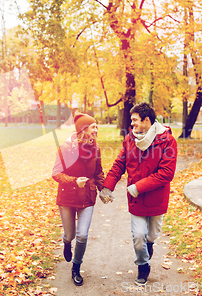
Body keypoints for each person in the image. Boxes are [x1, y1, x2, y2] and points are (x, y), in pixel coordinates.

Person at [99, 102, 177, 286]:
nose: (132, 124)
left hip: (157, 198)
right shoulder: (129, 139)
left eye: (135, 120)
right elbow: (119, 163)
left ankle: (149, 246)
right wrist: (107, 187)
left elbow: (167, 173)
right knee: (138, 237)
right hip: (136, 199)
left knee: (151, 235)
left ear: (146, 120)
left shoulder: (167, 140)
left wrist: (139, 186)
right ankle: (142, 266)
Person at [52, 112, 111, 286]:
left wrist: (104, 189)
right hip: (68, 196)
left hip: (87, 196)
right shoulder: (65, 148)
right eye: (94, 127)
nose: (97, 130)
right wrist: (73, 181)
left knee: (83, 235)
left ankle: (76, 267)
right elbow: (56, 173)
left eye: (97, 127)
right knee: (70, 234)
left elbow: (98, 172)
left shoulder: (96, 148)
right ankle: (66, 242)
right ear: (84, 129)